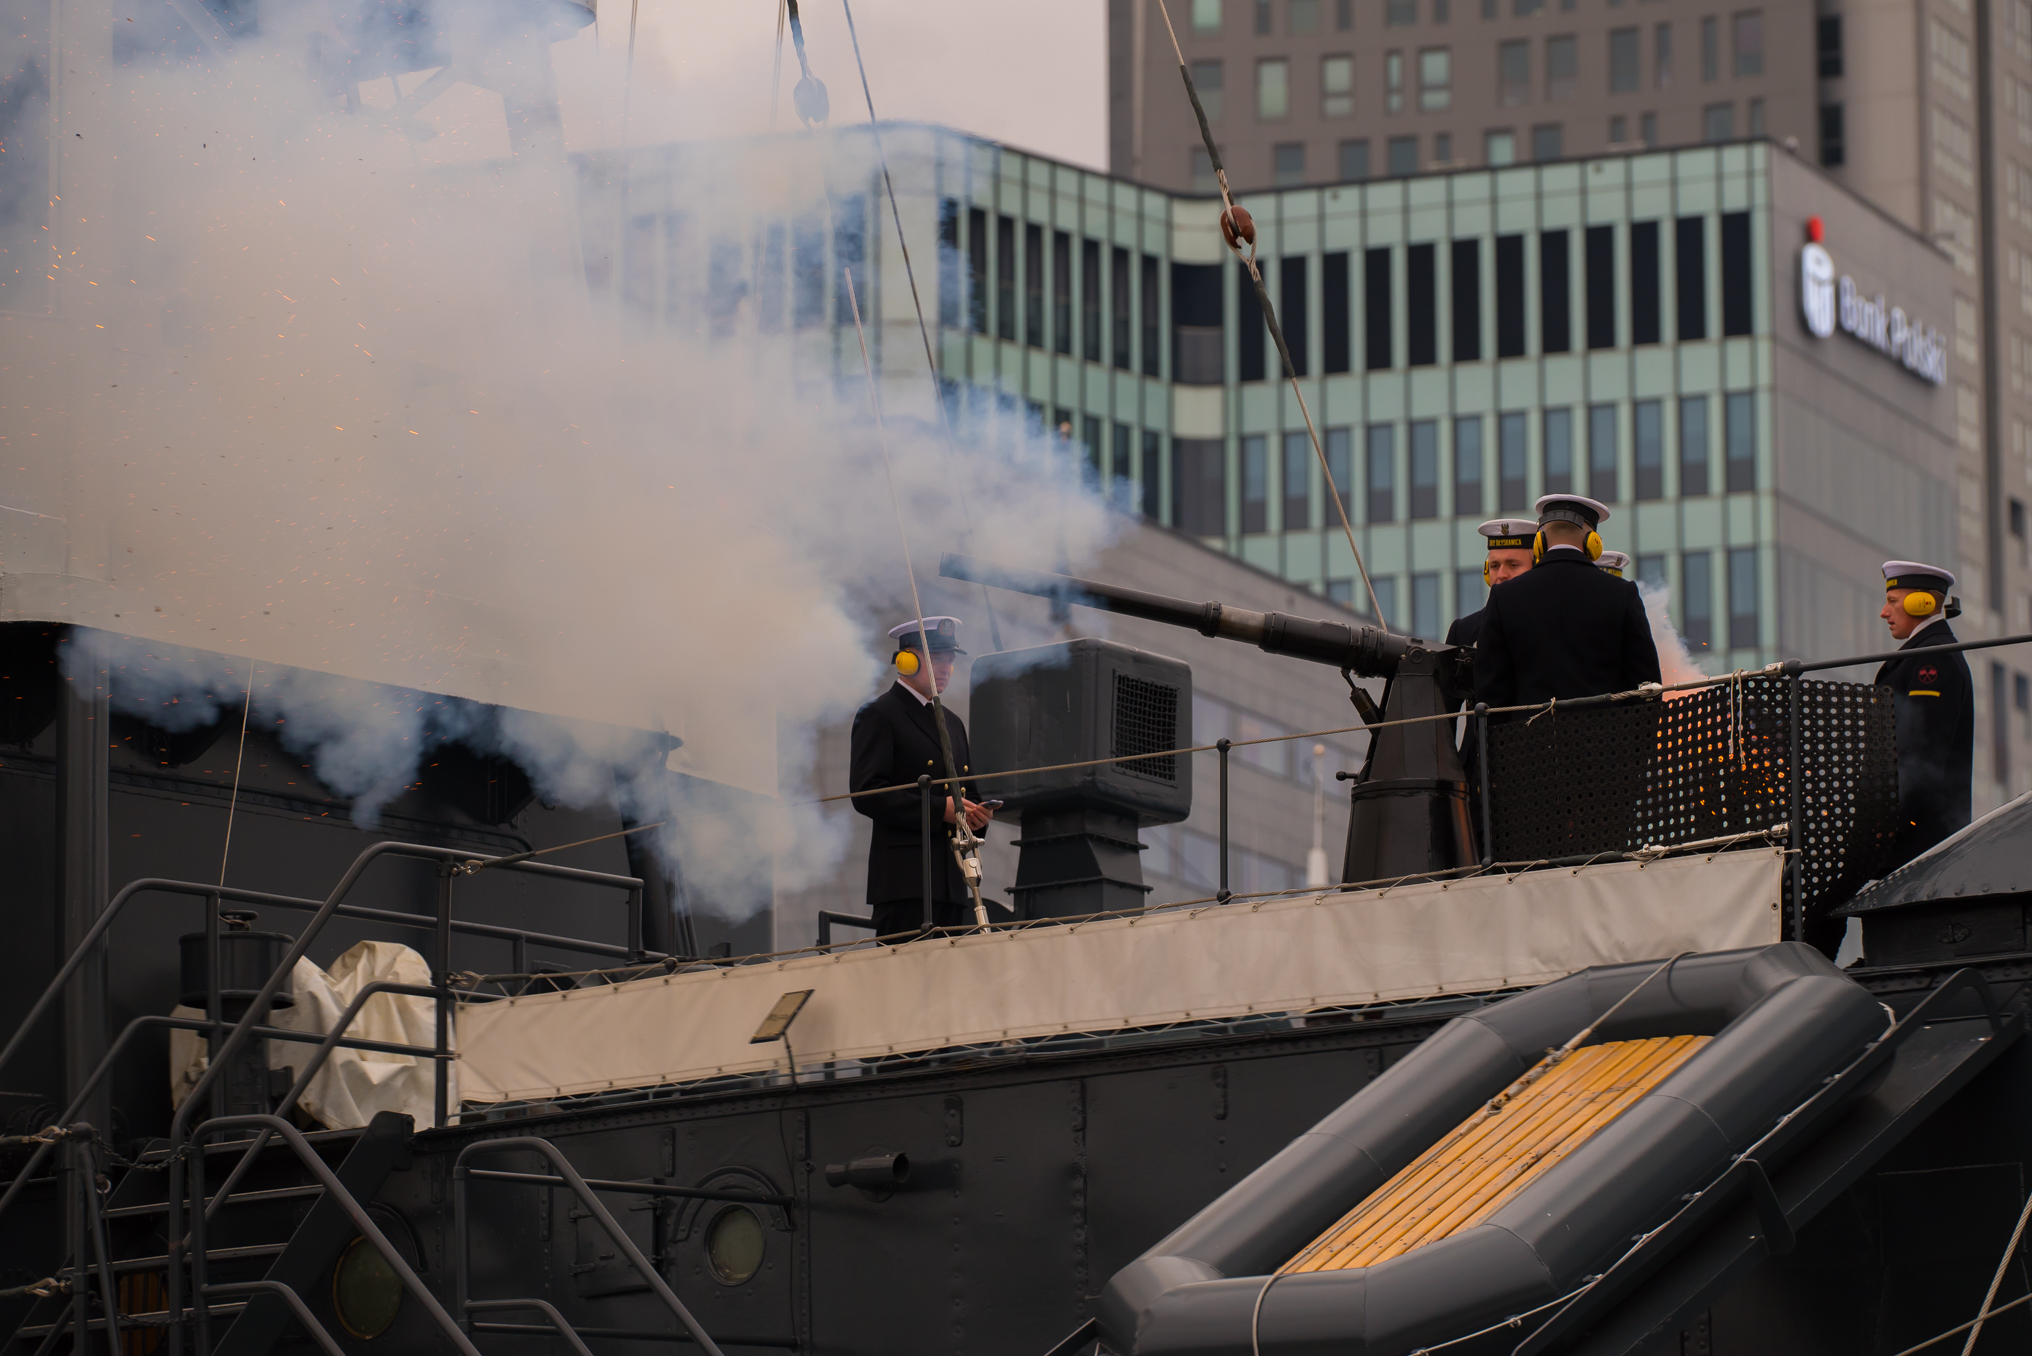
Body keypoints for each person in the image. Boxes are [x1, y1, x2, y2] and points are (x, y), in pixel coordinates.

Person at [849, 617, 995, 937]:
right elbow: (867, 792)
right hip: (905, 882)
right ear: (907, 660)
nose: (946, 668)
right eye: (937, 659)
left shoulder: (952, 723)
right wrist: (937, 808)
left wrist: (978, 814)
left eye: (950, 660)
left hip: (954, 881)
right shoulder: (879, 714)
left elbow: (967, 791)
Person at [1473, 495, 1662, 710]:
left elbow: (1490, 692)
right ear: (1593, 543)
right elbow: (1647, 688)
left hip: (1528, 740)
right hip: (1607, 739)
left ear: (1539, 543)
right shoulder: (1622, 592)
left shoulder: (1504, 596)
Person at [1874, 561, 1973, 868]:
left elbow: (1919, 754)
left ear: (1923, 603)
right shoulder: (1924, 654)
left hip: (1919, 847)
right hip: (1913, 842)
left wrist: (1881, 828)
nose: (1884, 612)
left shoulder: (1934, 658)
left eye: (1892, 602)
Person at [1444, 519, 1537, 651]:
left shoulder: (1554, 623)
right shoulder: (1462, 630)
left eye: (1513, 565)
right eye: (1495, 566)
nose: (1501, 575)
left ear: (1537, 568)